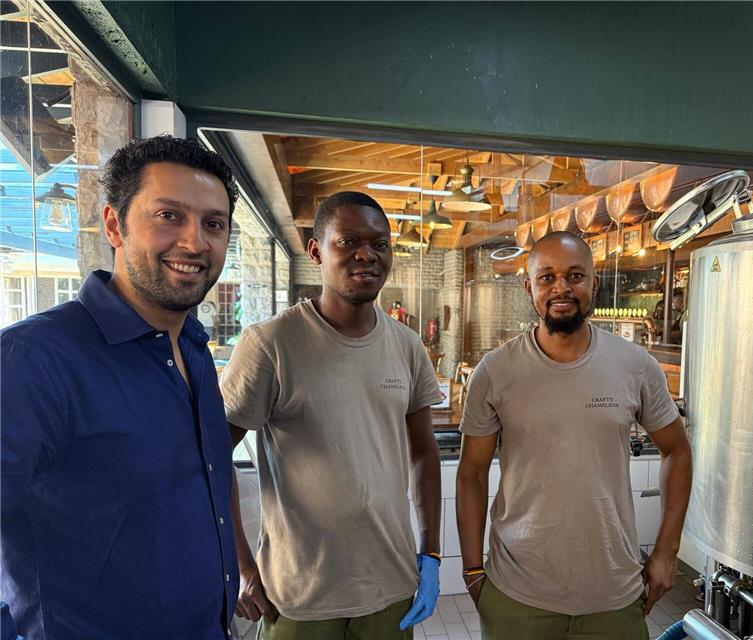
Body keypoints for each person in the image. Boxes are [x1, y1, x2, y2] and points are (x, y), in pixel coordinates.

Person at [0, 135, 240, 638]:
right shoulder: (35, 359)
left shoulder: (194, 349)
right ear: (114, 225)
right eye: (169, 216)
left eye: (213, 224)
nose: (195, 242)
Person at [220, 191, 443, 640]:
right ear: (316, 250)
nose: (367, 254)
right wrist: (239, 563)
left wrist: (432, 553)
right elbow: (210, 458)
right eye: (348, 242)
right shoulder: (270, 344)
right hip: (299, 596)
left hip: (390, 587)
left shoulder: (406, 346)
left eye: (379, 244)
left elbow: (423, 451)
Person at [456, 231, 693, 640]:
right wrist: (473, 570)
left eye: (575, 275)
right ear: (528, 287)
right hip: (517, 596)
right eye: (546, 277)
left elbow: (677, 451)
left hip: (614, 595)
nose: (561, 287)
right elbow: (471, 475)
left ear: (594, 283)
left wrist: (666, 553)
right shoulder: (495, 371)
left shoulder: (635, 365)